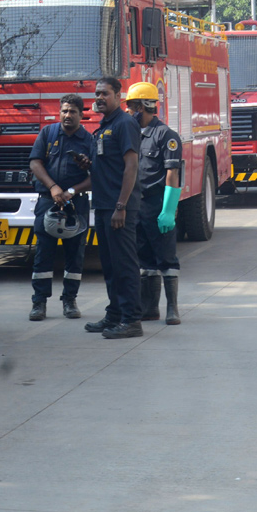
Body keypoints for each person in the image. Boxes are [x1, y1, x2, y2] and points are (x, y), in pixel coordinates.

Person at [83, 76, 144, 339]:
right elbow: (108, 165)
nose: (99, 98)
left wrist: (121, 206)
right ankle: (115, 314)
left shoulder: (125, 124)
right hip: (104, 206)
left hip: (120, 208)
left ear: (118, 96)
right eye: (97, 93)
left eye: (105, 93)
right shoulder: (103, 127)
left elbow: (131, 166)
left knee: (124, 265)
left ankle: (132, 320)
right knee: (109, 265)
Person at [27, 94, 93, 321]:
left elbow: (97, 176)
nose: (67, 115)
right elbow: (35, 163)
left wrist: (71, 191)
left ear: (81, 115)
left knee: (75, 253)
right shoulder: (48, 133)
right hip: (48, 201)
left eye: (72, 111)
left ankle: (70, 300)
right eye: (64, 111)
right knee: (44, 252)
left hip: (77, 203)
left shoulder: (89, 140)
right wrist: (53, 187)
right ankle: (39, 303)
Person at [125, 83, 183, 326]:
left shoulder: (166, 136)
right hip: (138, 206)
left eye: (131, 107)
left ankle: (172, 309)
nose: (128, 112)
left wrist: (168, 211)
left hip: (159, 205)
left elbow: (172, 174)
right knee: (144, 260)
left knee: (166, 259)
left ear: (142, 107)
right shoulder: (133, 134)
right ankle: (149, 309)